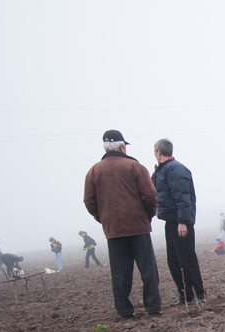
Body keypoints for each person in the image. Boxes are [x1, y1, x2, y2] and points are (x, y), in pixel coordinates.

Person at [83, 130, 161, 319]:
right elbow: (150, 195)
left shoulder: (94, 171)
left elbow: (89, 201)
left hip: (113, 231)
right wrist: (147, 216)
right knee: (148, 270)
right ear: (122, 147)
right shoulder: (134, 167)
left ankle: (125, 311)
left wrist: (104, 219)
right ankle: (153, 308)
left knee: (119, 273)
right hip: (138, 227)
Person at [152, 138, 206, 307]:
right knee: (173, 261)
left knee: (187, 259)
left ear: (159, 152)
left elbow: (183, 197)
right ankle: (185, 296)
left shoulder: (175, 170)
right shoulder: (163, 171)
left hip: (181, 223)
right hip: (171, 221)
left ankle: (199, 294)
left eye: (155, 152)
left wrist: (183, 221)